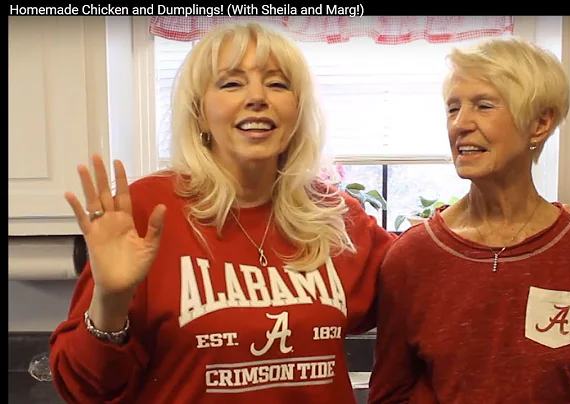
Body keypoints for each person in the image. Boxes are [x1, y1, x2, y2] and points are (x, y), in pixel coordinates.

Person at [49, 22, 395, 404]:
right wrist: (111, 302)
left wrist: (468, 212)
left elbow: (424, 295)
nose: (257, 97)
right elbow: (84, 390)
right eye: (231, 83)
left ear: (297, 111)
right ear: (199, 113)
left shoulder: (334, 216)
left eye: (278, 84)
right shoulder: (147, 211)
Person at [368, 37, 570, 403]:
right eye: (453, 109)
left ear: (539, 124)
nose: (460, 124)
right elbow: (391, 394)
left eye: (483, 105)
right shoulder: (413, 255)